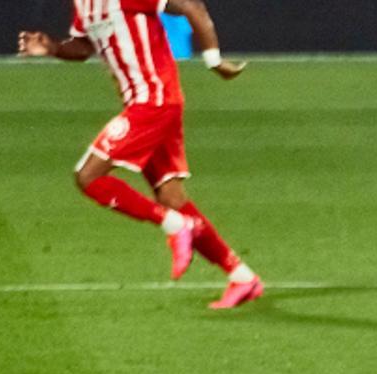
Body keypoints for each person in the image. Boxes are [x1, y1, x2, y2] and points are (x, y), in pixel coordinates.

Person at [18, 0, 263, 309]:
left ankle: (175, 226)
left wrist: (213, 60)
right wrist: (53, 47)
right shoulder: (83, 4)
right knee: (173, 199)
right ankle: (241, 275)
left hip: (154, 101)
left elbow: (191, 6)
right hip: (148, 104)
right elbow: (83, 47)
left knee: (88, 176)